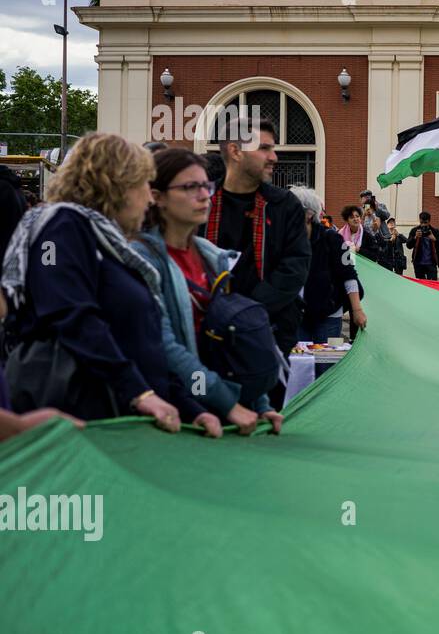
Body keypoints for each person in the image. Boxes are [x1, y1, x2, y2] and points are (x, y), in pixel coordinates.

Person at [1, 132, 219, 434]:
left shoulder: (112, 245)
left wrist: (190, 408)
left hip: (121, 419)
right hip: (81, 419)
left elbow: (140, 343)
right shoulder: (63, 226)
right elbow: (70, 314)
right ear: (117, 184)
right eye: (144, 184)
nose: (148, 197)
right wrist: (140, 394)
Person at [135, 148, 283, 436]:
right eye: (190, 187)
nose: (204, 195)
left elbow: (232, 337)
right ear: (157, 196)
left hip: (219, 413)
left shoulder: (213, 258)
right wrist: (227, 404)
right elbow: (165, 347)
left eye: (206, 186)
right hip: (176, 417)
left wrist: (258, 401)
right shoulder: (143, 259)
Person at [206, 118, 311, 356]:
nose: (274, 157)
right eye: (264, 148)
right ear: (235, 151)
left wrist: (247, 312)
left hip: (268, 335)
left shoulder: (284, 205)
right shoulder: (203, 202)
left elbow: (295, 267)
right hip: (208, 335)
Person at [290, 186, 366, 345]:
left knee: (329, 363)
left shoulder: (333, 239)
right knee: (298, 363)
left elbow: (349, 275)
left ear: (309, 215)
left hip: (330, 316)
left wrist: (357, 310)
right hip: (296, 315)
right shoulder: (286, 239)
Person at [408, 211, 439, 280]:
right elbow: (408, 246)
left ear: (429, 221)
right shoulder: (415, 230)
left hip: (431, 263)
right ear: (419, 220)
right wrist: (415, 238)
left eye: (425, 222)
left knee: (432, 285)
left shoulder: (435, 231)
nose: (423, 225)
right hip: (418, 263)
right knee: (420, 286)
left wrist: (434, 239)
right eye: (421, 222)